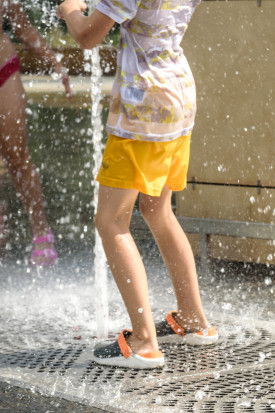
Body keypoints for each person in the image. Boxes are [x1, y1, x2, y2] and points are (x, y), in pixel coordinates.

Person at [57, 0, 218, 369]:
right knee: (158, 210)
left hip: (141, 109)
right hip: (177, 98)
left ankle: (145, 341)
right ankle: (194, 319)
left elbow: (86, 36)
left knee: (111, 221)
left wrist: (69, 9)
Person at [1, 0, 71, 265]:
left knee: (17, 155)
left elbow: (21, 25)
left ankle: (41, 230)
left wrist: (55, 63)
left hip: (3, 67)